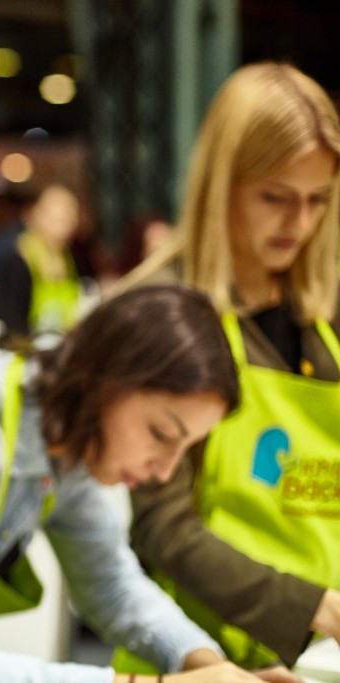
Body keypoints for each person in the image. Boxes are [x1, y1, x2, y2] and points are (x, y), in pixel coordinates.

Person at [0, 286, 304, 683]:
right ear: (104, 380)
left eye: (185, 450)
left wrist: (210, 667)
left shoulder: (66, 442)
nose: (164, 471)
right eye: (161, 435)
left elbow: (113, 586)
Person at [117, 61, 340, 670]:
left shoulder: (323, 313)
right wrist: (309, 607)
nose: (300, 223)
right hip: (199, 654)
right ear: (222, 184)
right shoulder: (163, 312)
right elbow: (160, 527)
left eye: (318, 200)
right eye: (276, 198)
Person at [0, 183, 83, 342]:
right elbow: (13, 320)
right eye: (57, 219)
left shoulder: (68, 258)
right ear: (38, 216)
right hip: (30, 352)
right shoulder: (22, 258)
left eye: (69, 218)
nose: (64, 226)